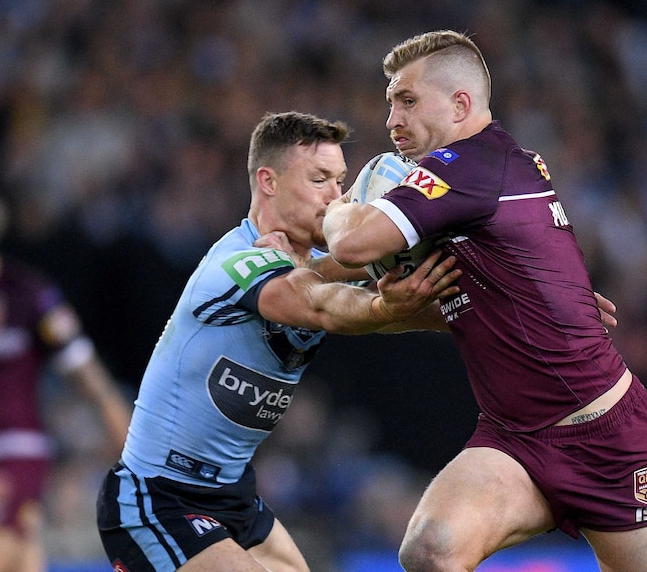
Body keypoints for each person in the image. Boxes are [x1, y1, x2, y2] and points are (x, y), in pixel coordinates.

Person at [323, 30, 647, 572]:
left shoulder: (467, 166)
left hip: (609, 442)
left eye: (407, 100)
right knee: (429, 550)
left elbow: (350, 244)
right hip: (516, 440)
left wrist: (339, 206)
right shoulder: (482, 172)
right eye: (390, 104)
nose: (391, 120)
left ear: (461, 103)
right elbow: (346, 269)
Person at [95, 111, 463, 572]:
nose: (336, 196)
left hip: (234, 497)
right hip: (158, 497)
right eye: (319, 179)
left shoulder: (315, 261)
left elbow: (361, 292)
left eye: (341, 180)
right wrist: (386, 306)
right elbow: (322, 305)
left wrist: (477, 309)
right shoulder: (234, 263)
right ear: (268, 181)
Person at [0, 175, 133, 572]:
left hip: (11, 448)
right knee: (20, 560)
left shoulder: (27, 295)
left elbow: (87, 376)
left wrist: (130, 452)